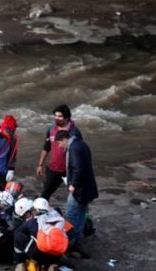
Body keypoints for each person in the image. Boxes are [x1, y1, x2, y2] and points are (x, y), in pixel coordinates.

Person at [56, 128, 98, 258]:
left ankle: (71, 244)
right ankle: (78, 241)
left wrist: (72, 185)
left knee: (71, 215)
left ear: (64, 140)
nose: (59, 146)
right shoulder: (82, 144)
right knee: (81, 215)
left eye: (59, 143)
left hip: (79, 190)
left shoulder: (73, 148)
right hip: (88, 189)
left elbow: (78, 168)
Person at [36, 104, 82, 200]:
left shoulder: (74, 132)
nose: (56, 118)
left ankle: (83, 214)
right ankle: (41, 212)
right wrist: (40, 165)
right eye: (55, 116)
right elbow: (46, 147)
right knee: (44, 194)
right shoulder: (51, 130)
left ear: (67, 118)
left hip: (69, 170)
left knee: (78, 194)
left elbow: (80, 151)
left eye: (60, 116)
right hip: (53, 169)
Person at [12, 197, 69, 271]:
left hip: (40, 254)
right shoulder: (56, 212)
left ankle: (20, 263)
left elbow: (17, 234)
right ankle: (53, 265)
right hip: (59, 252)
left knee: (19, 238)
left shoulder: (31, 222)